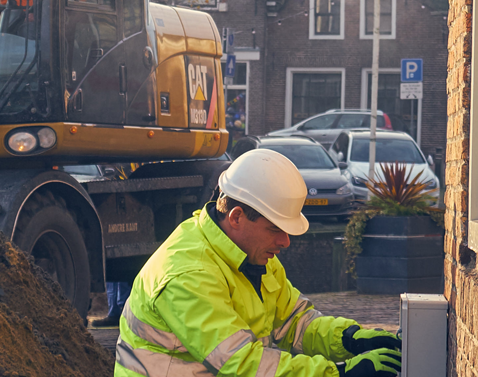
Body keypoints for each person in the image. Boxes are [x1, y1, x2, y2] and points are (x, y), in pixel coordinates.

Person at [115, 150, 403, 376]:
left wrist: (351, 339)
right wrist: (339, 373)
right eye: (275, 228)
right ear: (237, 217)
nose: (286, 241)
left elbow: (296, 323)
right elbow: (241, 363)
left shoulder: (255, 255)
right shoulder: (188, 273)